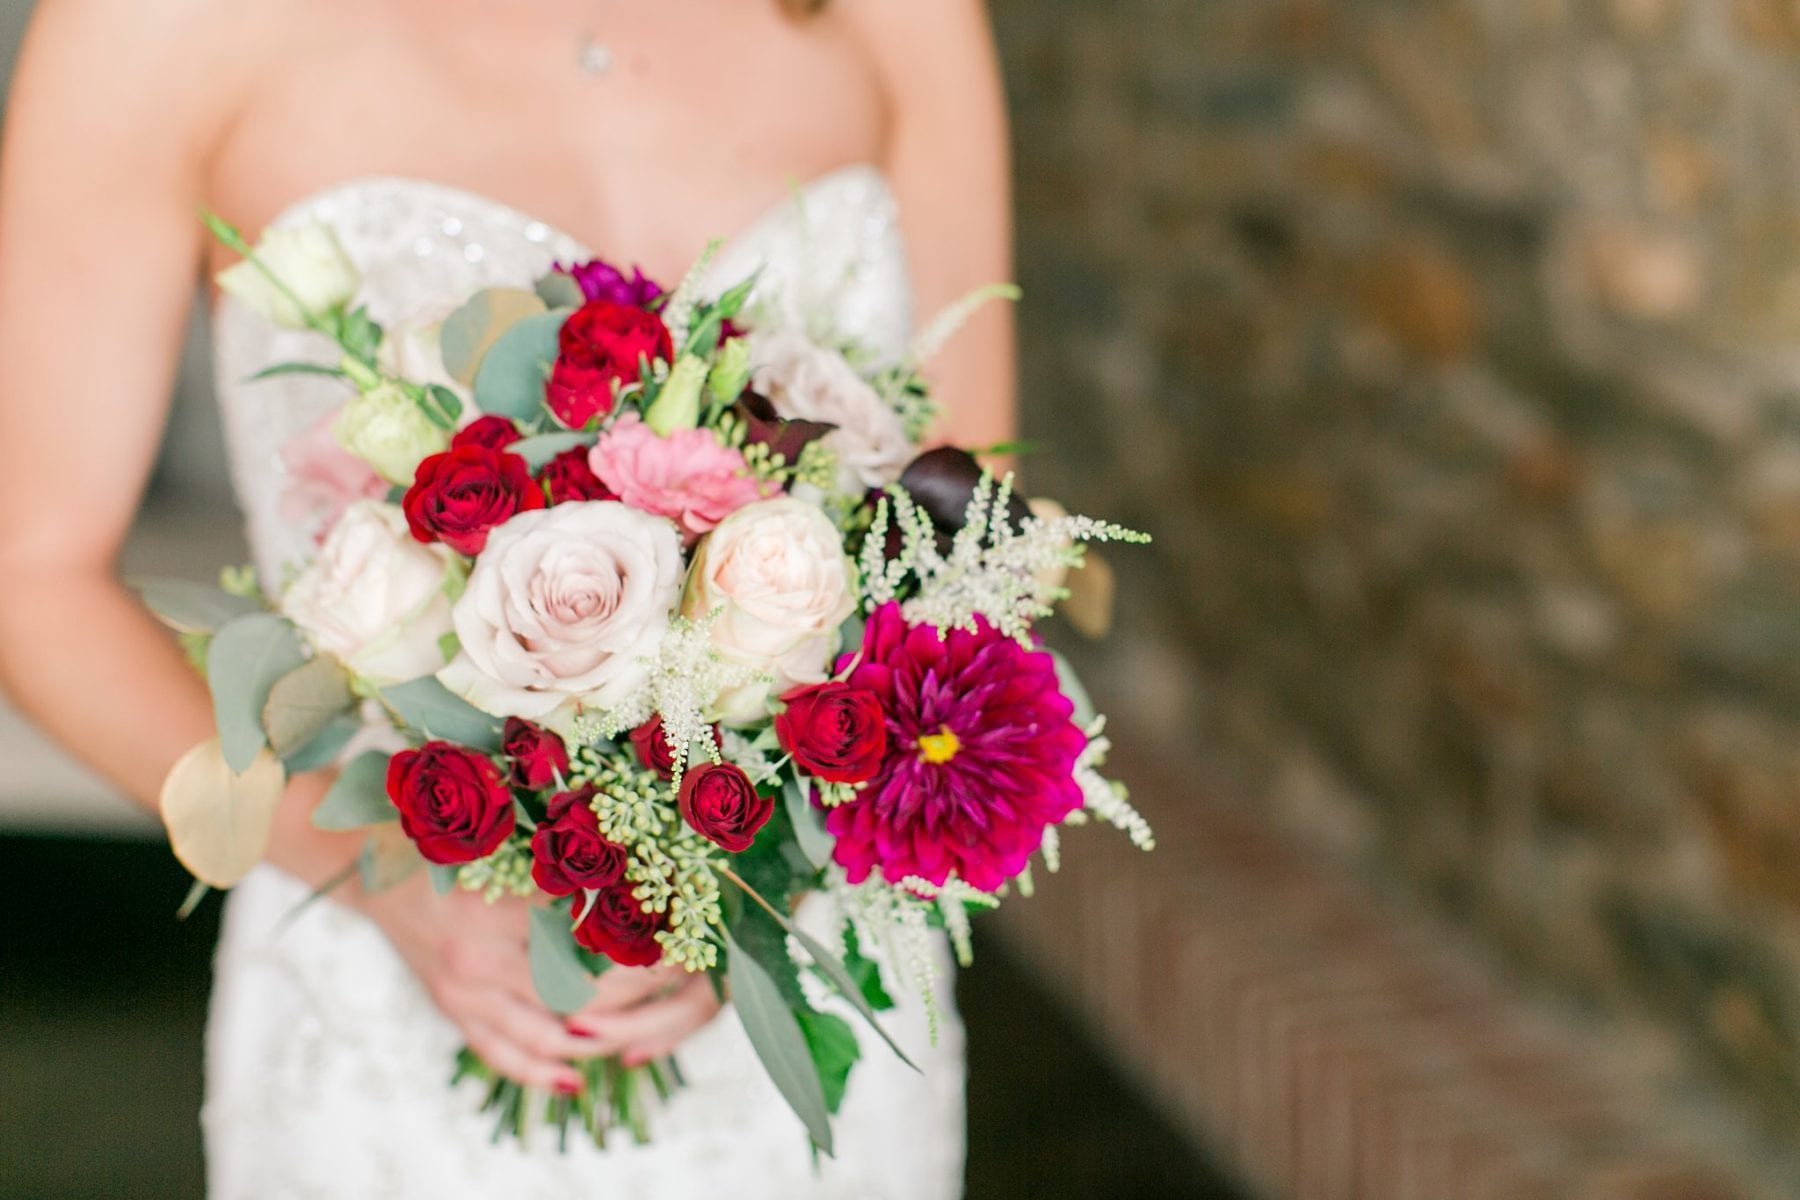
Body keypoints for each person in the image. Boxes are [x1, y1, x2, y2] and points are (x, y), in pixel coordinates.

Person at [0, 1, 1014, 1195]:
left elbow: (968, 521)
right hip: (390, 1001)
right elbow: (30, 577)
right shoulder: (154, 29)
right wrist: (382, 863)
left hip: (800, 995)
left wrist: (750, 861)